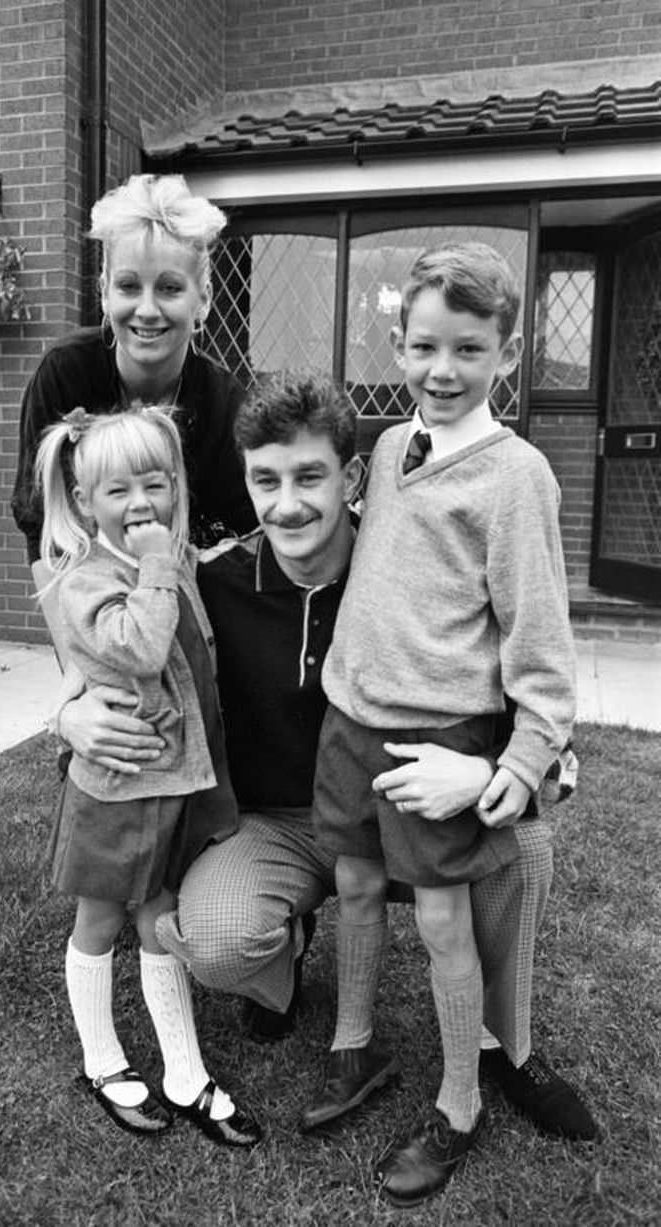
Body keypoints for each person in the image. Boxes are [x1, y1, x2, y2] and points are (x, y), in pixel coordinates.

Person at [56, 375, 596, 1148]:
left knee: (524, 848)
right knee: (211, 933)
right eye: (265, 480)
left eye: (309, 476)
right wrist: (69, 714)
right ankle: (283, 973)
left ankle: (505, 1046)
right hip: (276, 823)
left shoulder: (410, 576)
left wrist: (492, 775)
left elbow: (527, 691)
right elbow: (123, 660)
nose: (287, 504)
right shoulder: (212, 583)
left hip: (403, 803)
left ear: (350, 479)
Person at [311, 242, 580, 1207]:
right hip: (350, 719)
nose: (444, 369)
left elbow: (541, 643)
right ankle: (354, 1046)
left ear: (507, 355)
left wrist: (524, 759)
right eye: (425, 346)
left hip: (440, 735)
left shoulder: (518, 478)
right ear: (397, 344)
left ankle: (460, 1101)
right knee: (351, 881)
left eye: (470, 349)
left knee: (439, 920)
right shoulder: (389, 448)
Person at [34, 403, 260, 1148]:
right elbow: (138, 645)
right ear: (85, 500)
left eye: (156, 484)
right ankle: (102, 1061)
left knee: (158, 917)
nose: (140, 503)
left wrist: (172, 560)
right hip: (116, 787)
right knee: (100, 919)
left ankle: (184, 1073)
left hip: (169, 785)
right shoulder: (85, 581)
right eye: (118, 490)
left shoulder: (174, 561)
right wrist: (162, 562)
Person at [11, 172, 255, 655]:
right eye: (128, 286)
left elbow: (240, 550)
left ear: (202, 299)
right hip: (93, 616)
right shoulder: (66, 374)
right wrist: (80, 683)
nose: (146, 309)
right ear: (104, 292)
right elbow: (44, 530)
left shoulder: (227, 405)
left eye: (168, 288)